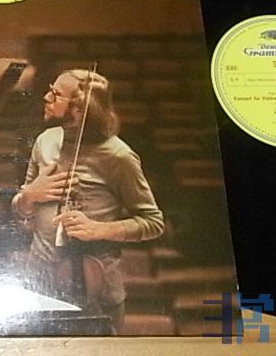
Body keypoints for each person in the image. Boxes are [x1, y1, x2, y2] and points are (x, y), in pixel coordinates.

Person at [11, 69, 164, 333]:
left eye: (56, 94)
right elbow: (22, 213)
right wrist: (28, 197)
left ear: (80, 109)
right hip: (38, 281)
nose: (46, 97)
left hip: (96, 288)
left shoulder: (119, 156)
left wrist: (99, 229)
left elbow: (153, 222)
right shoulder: (45, 141)